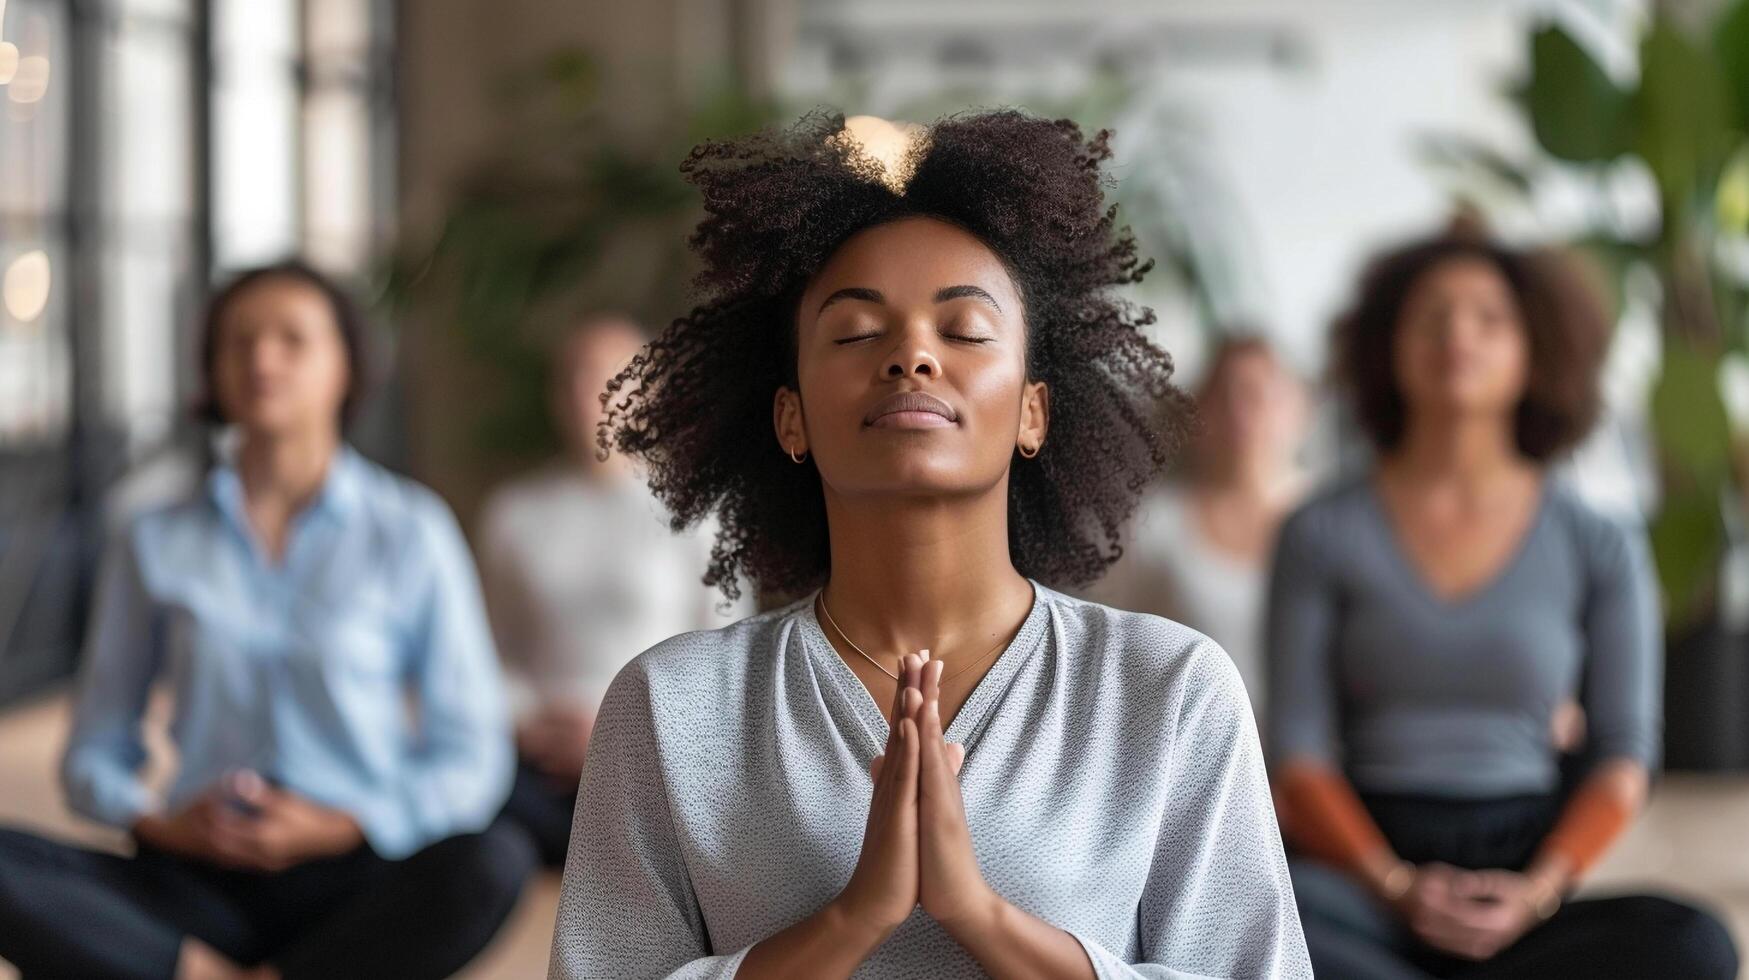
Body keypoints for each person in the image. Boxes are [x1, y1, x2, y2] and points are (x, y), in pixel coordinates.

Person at [547, 111, 1311, 979]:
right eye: (855, 332)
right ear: (789, 417)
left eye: (964, 331)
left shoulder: (1169, 692)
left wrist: (980, 917)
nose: (911, 354)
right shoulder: (671, 707)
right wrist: (852, 920)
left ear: (1033, 411)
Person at [0, 262, 533, 980]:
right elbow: (95, 745)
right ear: (211, 370)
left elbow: (472, 754)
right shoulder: (153, 537)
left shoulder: (410, 531)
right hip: (193, 873)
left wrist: (348, 824)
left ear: (346, 366)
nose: (261, 359)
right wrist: (158, 819)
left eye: (292, 339)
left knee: (494, 860)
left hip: (354, 874)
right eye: (238, 341)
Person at [1267, 232, 1738, 979]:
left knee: (1693, 945)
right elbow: (1297, 754)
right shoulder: (1319, 532)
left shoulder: (1598, 541)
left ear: (1534, 351)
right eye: (1431, 318)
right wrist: (1393, 886)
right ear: (1386, 347)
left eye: (1489, 319)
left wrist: (1537, 894)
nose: (1457, 335)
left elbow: (1622, 755)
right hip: (1364, 874)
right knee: (1243, 916)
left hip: (1526, 874)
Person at [478, 313, 747, 867]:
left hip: (659, 751)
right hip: (541, 757)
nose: (588, 395)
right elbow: (491, 648)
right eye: (573, 377)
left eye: (609, 377)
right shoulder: (514, 513)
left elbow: (728, 656)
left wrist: (614, 733)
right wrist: (530, 723)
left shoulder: (700, 514)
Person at [1084, 335, 1308, 720]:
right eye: (1226, 397)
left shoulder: (1331, 520)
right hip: (1186, 750)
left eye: (1259, 394)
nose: (1242, 413)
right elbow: (1104, 651)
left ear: (1298, 409)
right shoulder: (1152, 526)